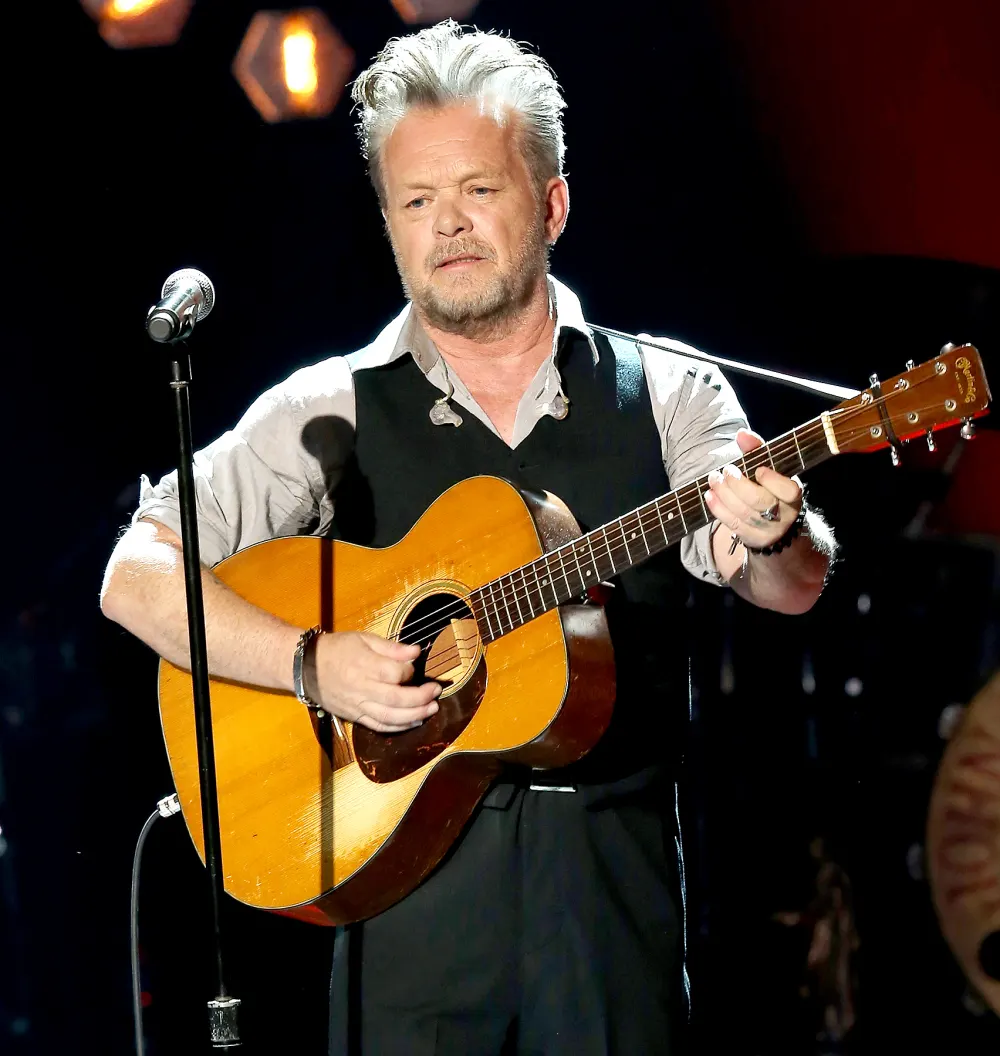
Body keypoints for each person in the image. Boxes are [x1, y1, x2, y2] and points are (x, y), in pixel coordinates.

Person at [101, 20, 836, 1055]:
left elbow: (786, 583)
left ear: (551, 204)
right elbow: (135, 574)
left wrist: (776, 528)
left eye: (477, 191)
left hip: (610, 897)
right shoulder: (329, 407)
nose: (445, 225)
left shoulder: (666, 388)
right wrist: (312, 664)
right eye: (415, 201)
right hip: (402, 902)